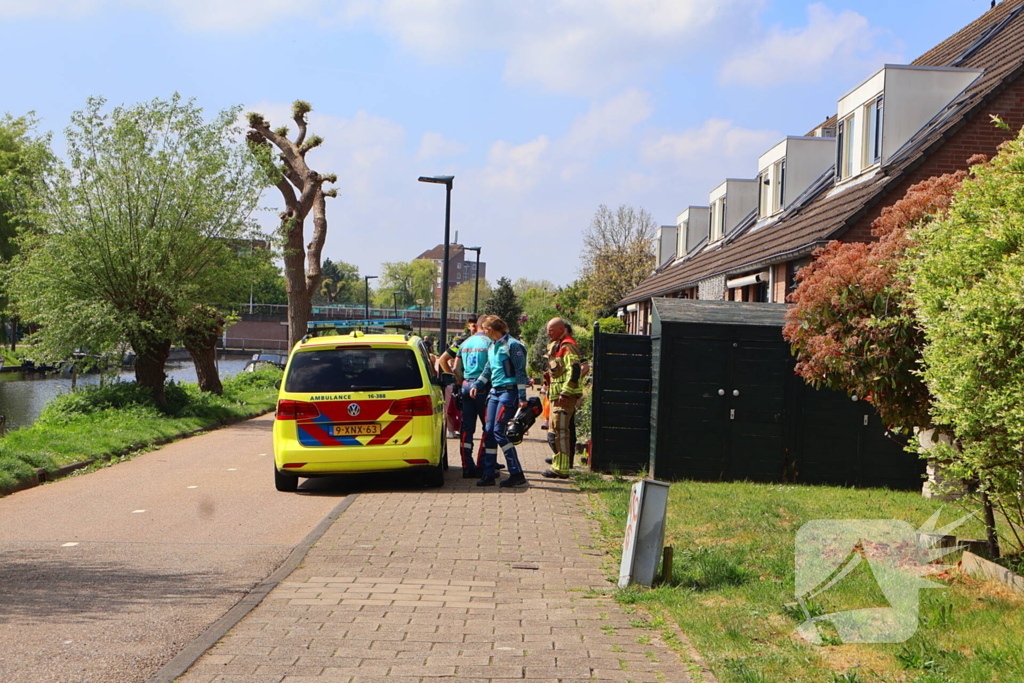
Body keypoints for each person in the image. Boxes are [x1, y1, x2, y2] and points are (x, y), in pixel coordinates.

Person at [470, 316, 529, 487]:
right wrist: (477, 385)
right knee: (489, 432)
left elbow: (520, 372)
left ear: (490, 330)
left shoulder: (513, 345)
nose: (483, 332)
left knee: (499, 432)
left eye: (484, 329)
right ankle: (488, 474)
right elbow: (488, 369)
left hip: (508, 393)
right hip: (494, 393)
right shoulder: (492, 345)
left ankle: (516, 473)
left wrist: (522, 397)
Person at [439, 315, 493, 478]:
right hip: (484, 387)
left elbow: (453, 366)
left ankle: (467, 466)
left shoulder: (464, 343)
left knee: (467, 429)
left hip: (466, 386)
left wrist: (459, 381)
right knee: (488, 428)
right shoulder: (490, 342)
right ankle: (482, 465)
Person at [542, 317, 583, 478]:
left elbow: (574, 370)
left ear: (561, 329)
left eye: (551, 330)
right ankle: (558, 463)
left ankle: (562, 468)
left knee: (560, 431)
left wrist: (565, 392)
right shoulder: (557, 345)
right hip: (556, 396)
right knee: (554, 432)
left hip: (563, 398)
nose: (548, 333)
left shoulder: (567, 346)